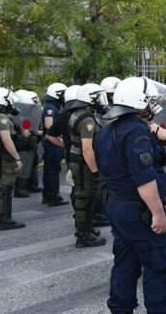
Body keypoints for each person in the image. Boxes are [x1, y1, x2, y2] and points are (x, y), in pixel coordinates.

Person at [94, 77, 166, 314]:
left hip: (116, 205)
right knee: (157, 263)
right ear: (140, 102)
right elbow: (143, 178)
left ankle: (120, 309)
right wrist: (157, 213)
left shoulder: (107, 130)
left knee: (125, 263)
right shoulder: (136, 132)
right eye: (150, 101)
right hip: (138, 210)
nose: (152, 106)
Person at [68, 83, 110, 248]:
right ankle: (83, 236)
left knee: (88, 197)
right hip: (83, 162)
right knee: (84, 197)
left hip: (78, 159)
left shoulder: (77, 113)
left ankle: (87, 229)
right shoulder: (87, 119)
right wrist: (94, 171)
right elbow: (87, 148)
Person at [0, 87, 30, 230]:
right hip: (5, 157)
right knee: (6, 186)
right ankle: (5, 218)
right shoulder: (1, 118)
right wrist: (17, 158)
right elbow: (6, 140)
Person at [41, 82, 69, 207]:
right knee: (52, 170)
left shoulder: (52, 106)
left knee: (51, 169)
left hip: (51, 142)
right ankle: (52, 196)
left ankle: (48, 195)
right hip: (52, 143)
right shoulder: (50, 107)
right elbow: (48, 124)